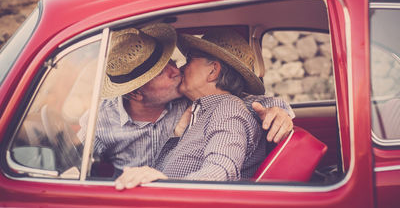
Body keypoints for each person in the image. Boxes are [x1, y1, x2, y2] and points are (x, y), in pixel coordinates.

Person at [78, 23, 294, 176]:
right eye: (162, 71)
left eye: (177, 61)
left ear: (213, 72)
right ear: (135, 93)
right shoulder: (101, 119)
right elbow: (73, 161)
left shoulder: (220, 106)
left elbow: (236, 105)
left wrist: (276, 110)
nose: (177, 69)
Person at [114, 29, 281, 189]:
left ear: (213, 71)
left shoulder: (228, 109)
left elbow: (220, 173)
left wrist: (165, 186)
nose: (180, 69)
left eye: (189, 60)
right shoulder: (201, 111)